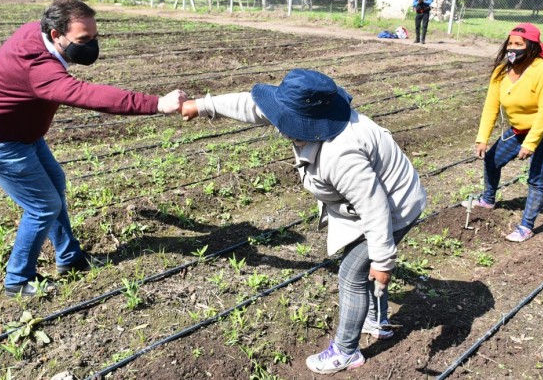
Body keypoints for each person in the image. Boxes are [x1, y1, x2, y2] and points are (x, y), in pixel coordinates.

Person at [180, 69, 427, 374]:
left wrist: (383, 260)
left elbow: (374, 207)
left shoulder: (342, 154)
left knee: (353, 273)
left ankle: (346, 351)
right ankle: (376, 320)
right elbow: (254, 106)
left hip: (395, 207)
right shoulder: (314, 114)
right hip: (377, 200)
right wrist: (203, 106)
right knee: (362, 269)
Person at [0, 0, 187, 297]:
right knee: (42, 207)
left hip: (21, 134)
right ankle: (17, 279)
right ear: (56, 35)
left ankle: (70, 258)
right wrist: (156, 104)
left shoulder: (35, 32)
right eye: (83, 40)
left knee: (55, 184)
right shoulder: (39, 69)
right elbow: (88, 95)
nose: (91, 45)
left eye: (94, 37)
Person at [462, 23, 543, 243]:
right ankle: (488, 199)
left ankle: (526, 227)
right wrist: (482, 138)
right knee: (492, 159)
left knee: (536, 179)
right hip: (521, 129)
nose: (513, 47)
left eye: (518, 44)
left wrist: (530, 144)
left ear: (531, 46)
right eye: (510, 43)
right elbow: (491, 106)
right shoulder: (501, 72)